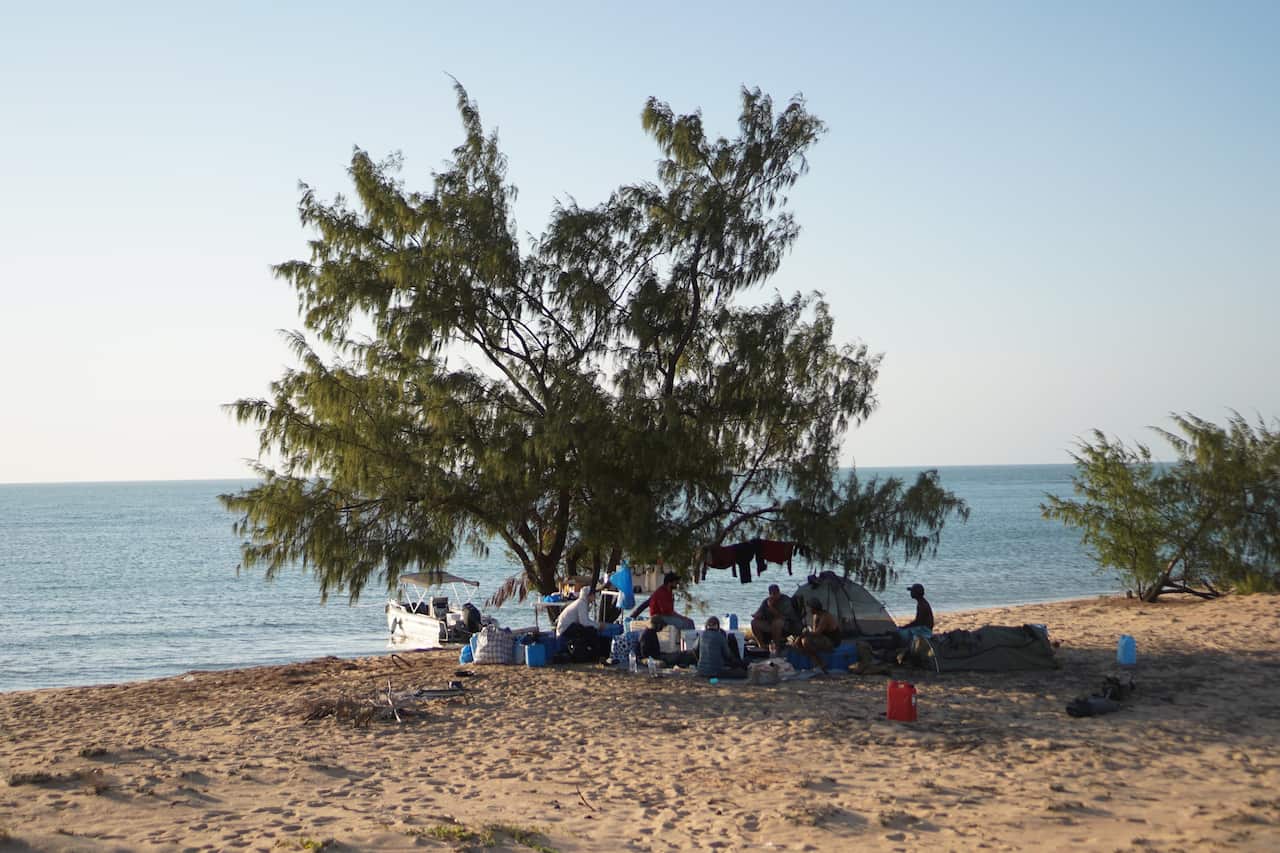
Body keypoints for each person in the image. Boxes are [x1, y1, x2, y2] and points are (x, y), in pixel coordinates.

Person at [555, 587, 607, 661]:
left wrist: (596, 624)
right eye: (593, 595)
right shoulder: (581, 604)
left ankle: (594, 654)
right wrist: (598, 625)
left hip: (566, 628)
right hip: (565, 630)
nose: (594, 596)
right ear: (588, 595)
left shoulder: (581, 603)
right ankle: (597, 654)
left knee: (589, 630)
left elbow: (585, 621)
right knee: (591, 631)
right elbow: (584, 622)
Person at [795, 599, 842, 673]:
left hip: (832, 641)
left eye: (810, 608)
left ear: (814, 608)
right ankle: (818, 662)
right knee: (800, 641)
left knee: (805, 641)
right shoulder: (816, 615)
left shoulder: (825, 616)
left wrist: (804, 634)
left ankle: (820, 663)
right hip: (822, 637)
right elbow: (814, 631)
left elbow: (817, 633)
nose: (809, 610)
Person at [750, 584, 798, 651]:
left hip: (787, 625)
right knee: (754, 622)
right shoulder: (767, 601)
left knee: (777, 622)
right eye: (773, 593)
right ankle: (762, 645)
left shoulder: (785, 600)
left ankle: (777, 647)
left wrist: (771, 607)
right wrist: (757, 615)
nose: (775, 595)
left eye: (776, 593)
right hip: (770, 623)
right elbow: (760, 612)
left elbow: (782, 617)